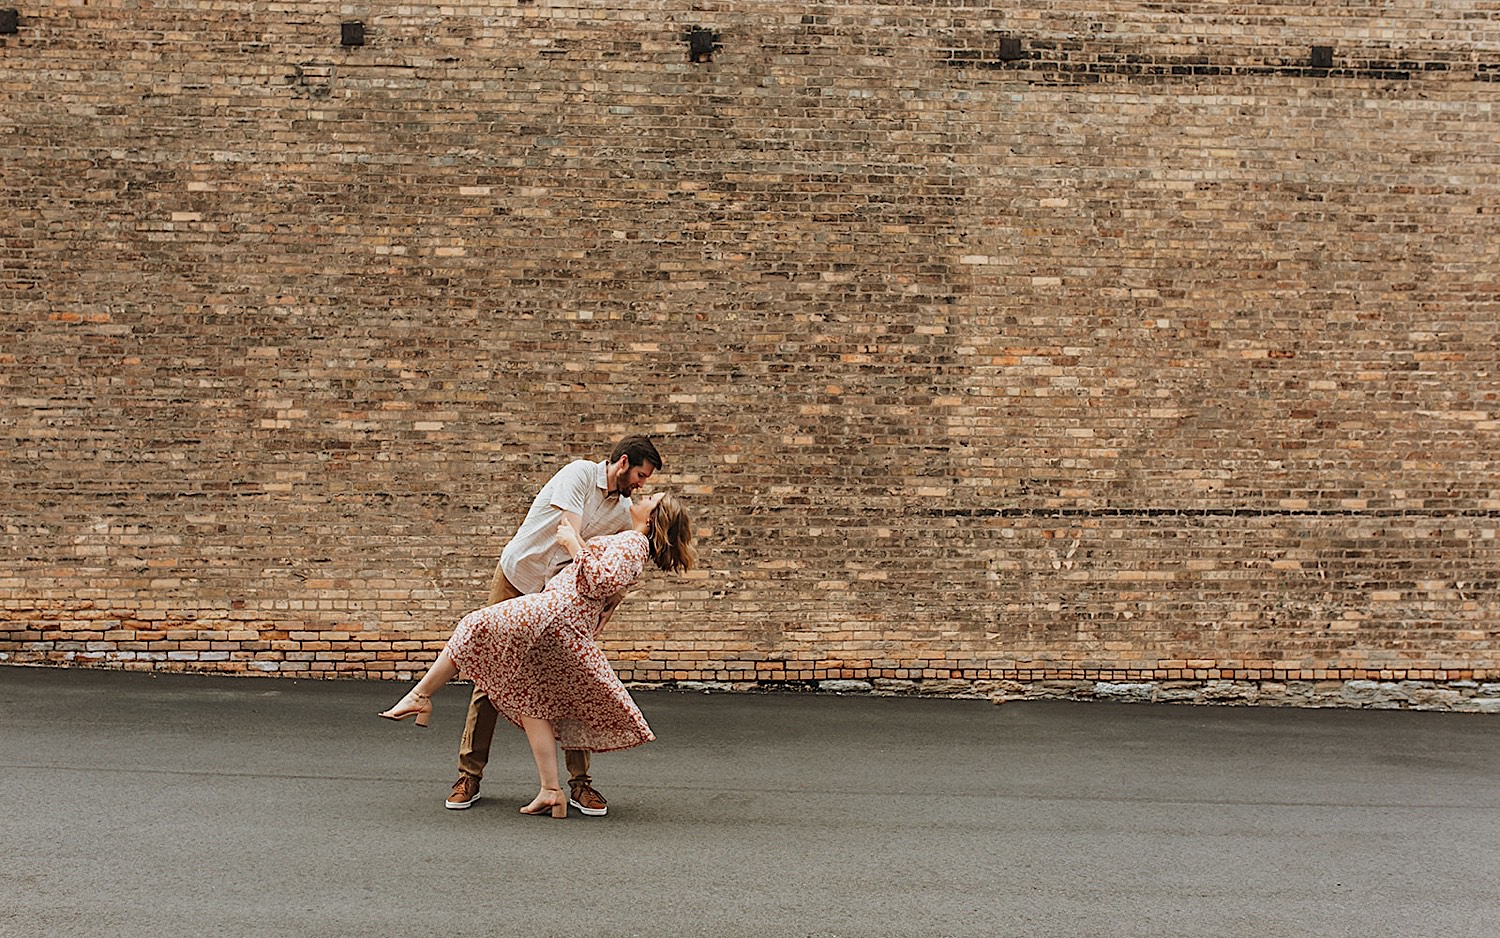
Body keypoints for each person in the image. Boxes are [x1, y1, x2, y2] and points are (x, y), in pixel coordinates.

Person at [378, 492, 696, 819]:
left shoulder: (632, 542)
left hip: (555, 614)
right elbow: (605, 588)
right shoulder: (631, 543)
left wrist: (573, 542)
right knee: (532, 699)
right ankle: (551, 790)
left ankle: (421, 695)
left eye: (649, 497)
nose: (641, 496)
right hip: (564, 621)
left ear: (654, 517)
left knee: (474, 625)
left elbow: (600, 582)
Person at [454, 437, 660, 815]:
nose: (641, 485)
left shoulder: (624, 512)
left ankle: (580, 785)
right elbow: (570, 532)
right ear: (624, 462)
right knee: (490, 676)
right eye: (640, 475)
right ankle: (469, 776)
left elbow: (608, 566)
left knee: (570, 681)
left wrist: (611, 601)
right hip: (520, 576)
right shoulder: (579, 474)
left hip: (557, 599)